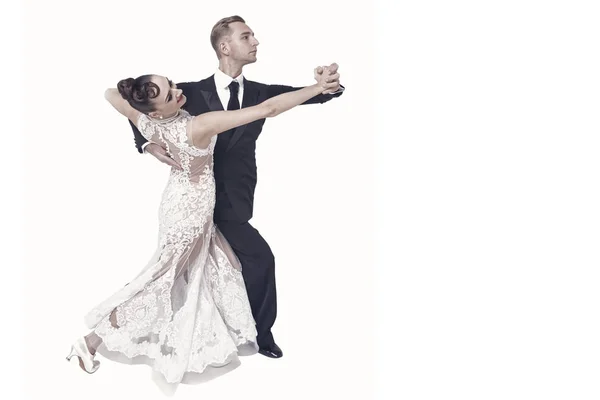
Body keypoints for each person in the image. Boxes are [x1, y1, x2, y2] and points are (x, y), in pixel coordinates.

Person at [66, 68, 339, 385]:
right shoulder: (199, 125)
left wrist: (149, 143)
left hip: (176, 204)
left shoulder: (146, 120)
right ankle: (91, 341)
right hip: (190, 214)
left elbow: (111, 94)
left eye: (170, 82)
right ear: (156, 110)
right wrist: (317, 87)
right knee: (162, 280)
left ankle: (197, 334)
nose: (178, 90)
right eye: (170, 95)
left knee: (178, 275)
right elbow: (268, 109)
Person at [130, 15, 345, 358]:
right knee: (173, 270)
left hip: (233, 199)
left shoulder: (261, 94)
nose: (256, 41)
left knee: (257, 261)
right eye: (247, 36)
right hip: (190, 200)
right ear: (225, 46)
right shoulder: (184, 93)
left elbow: (309, 97)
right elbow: (139, 109)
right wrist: (146, 144)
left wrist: (327, 85)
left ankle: (260, 336)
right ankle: (147, 331)